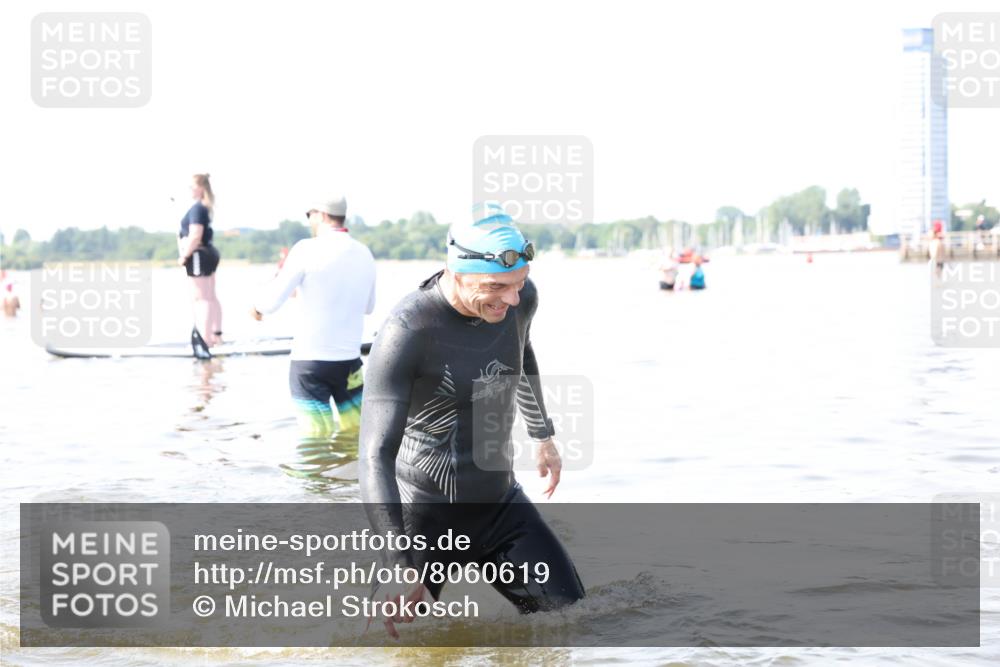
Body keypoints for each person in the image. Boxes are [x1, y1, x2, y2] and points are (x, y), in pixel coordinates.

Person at [359, 202, 585, 639]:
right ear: (456, 272)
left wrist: (543, 435)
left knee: (573, 625)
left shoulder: (520, 301)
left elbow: (521, 351)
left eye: (519, 284)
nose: (513, 298)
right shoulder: (408, 330)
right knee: (389, 648)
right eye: (497, 286)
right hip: (423, 522)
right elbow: (374, 456)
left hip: (501, 510)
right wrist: (398, 564)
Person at [252, 196, 376, 440]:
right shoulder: (364, 253)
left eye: (309, 215)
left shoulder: (306, 249)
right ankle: (349, 477)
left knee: (315, 440)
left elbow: (271, 303)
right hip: (349, 362)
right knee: (355, 436)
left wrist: (256, 307)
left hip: (310, 365)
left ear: (320, 214)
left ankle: (317, 479)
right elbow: (369, 307)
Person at [178, 173, 223, 346]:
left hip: (199, 255)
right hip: (208, 253)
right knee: (210, 296)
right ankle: (215, 335)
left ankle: (205, 339)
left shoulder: (198, 208)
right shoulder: (205, 207)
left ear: (201, 188)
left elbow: (196, 234)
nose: (189, 189)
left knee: (201, 298)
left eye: (192, 186)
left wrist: (184, 255)